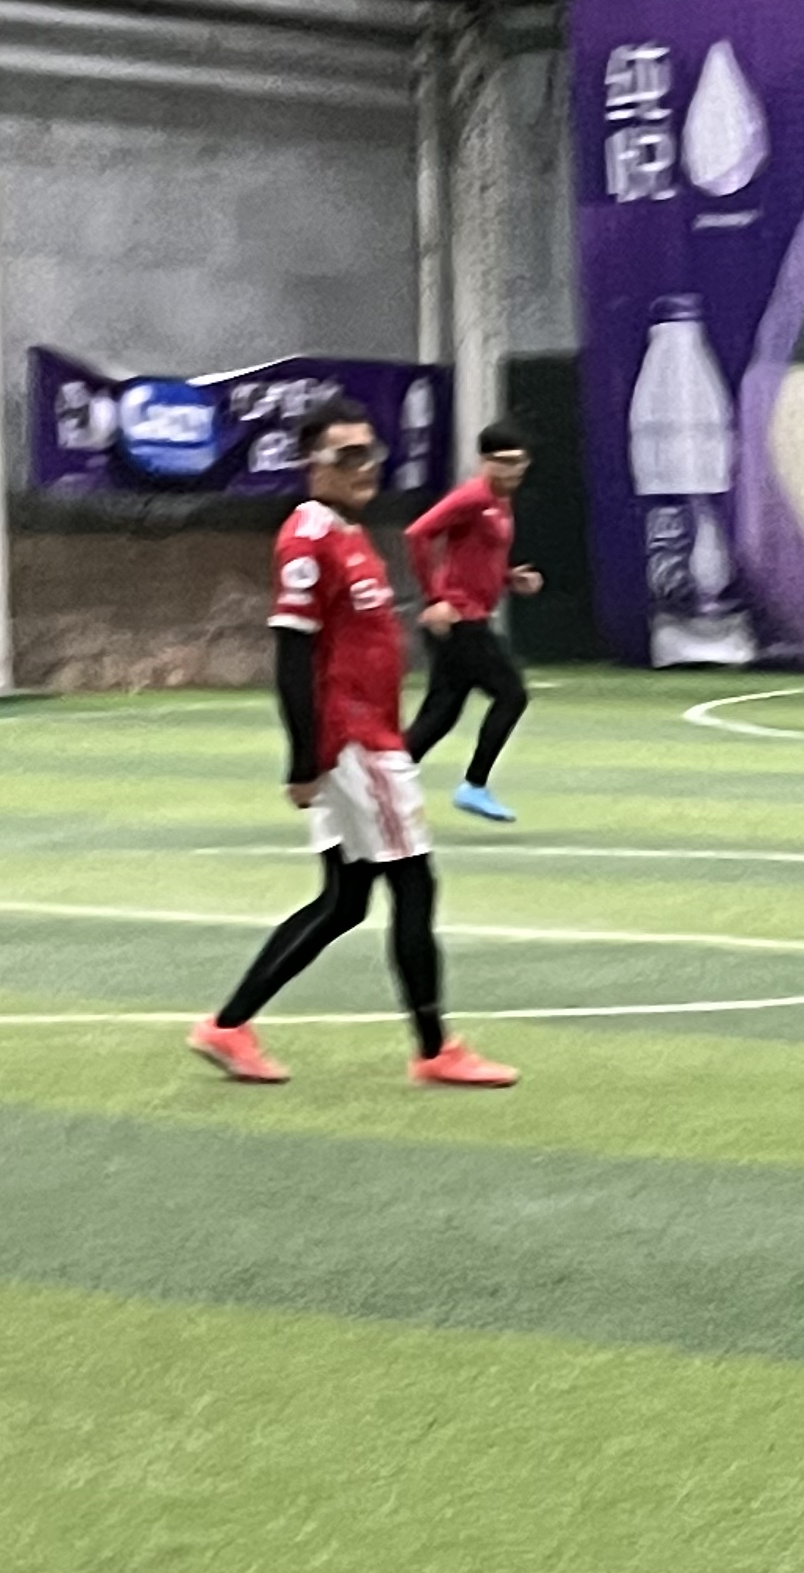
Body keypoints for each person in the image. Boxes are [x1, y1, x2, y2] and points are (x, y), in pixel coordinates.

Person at [189, 405, 520, 1093]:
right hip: (355, 741)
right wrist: (304, 759)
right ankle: (435, 1049)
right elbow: (292, 653)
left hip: (366, 736)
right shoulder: (309, 540)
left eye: (370, 453)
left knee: (344, 901)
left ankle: (228, 1026)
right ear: (312, 467)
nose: (365, 467)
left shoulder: (347, 532)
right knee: (414, 884)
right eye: (347, 457)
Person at [403, 421, 545, 825]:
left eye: (520, 463)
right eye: (505, 462)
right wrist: (436, 599)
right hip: (460, 620)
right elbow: (417, 534)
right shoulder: (473, 496)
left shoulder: (500, 501)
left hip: (470, 616)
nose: (514, 471)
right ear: (485, 461)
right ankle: (474, 785)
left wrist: (509, 578)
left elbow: (477, 557)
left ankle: (381, 784)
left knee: (441, 713)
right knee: (511, 694)